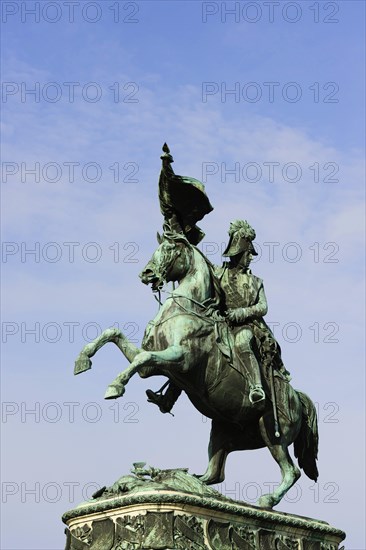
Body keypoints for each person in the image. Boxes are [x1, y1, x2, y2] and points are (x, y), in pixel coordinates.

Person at [146, 219, 290, 413]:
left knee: (242, 341)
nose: (250, 258)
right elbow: (201, 267)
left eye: (250, 254)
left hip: (247, 326)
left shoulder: (256, 282)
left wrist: (241, 313)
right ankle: (168, 399)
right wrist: (182, 240)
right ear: (238, 253)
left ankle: (256, 387)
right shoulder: (220, 273)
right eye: (247, 254)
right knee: (192, 349)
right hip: (220, 324)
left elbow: (263, 307)